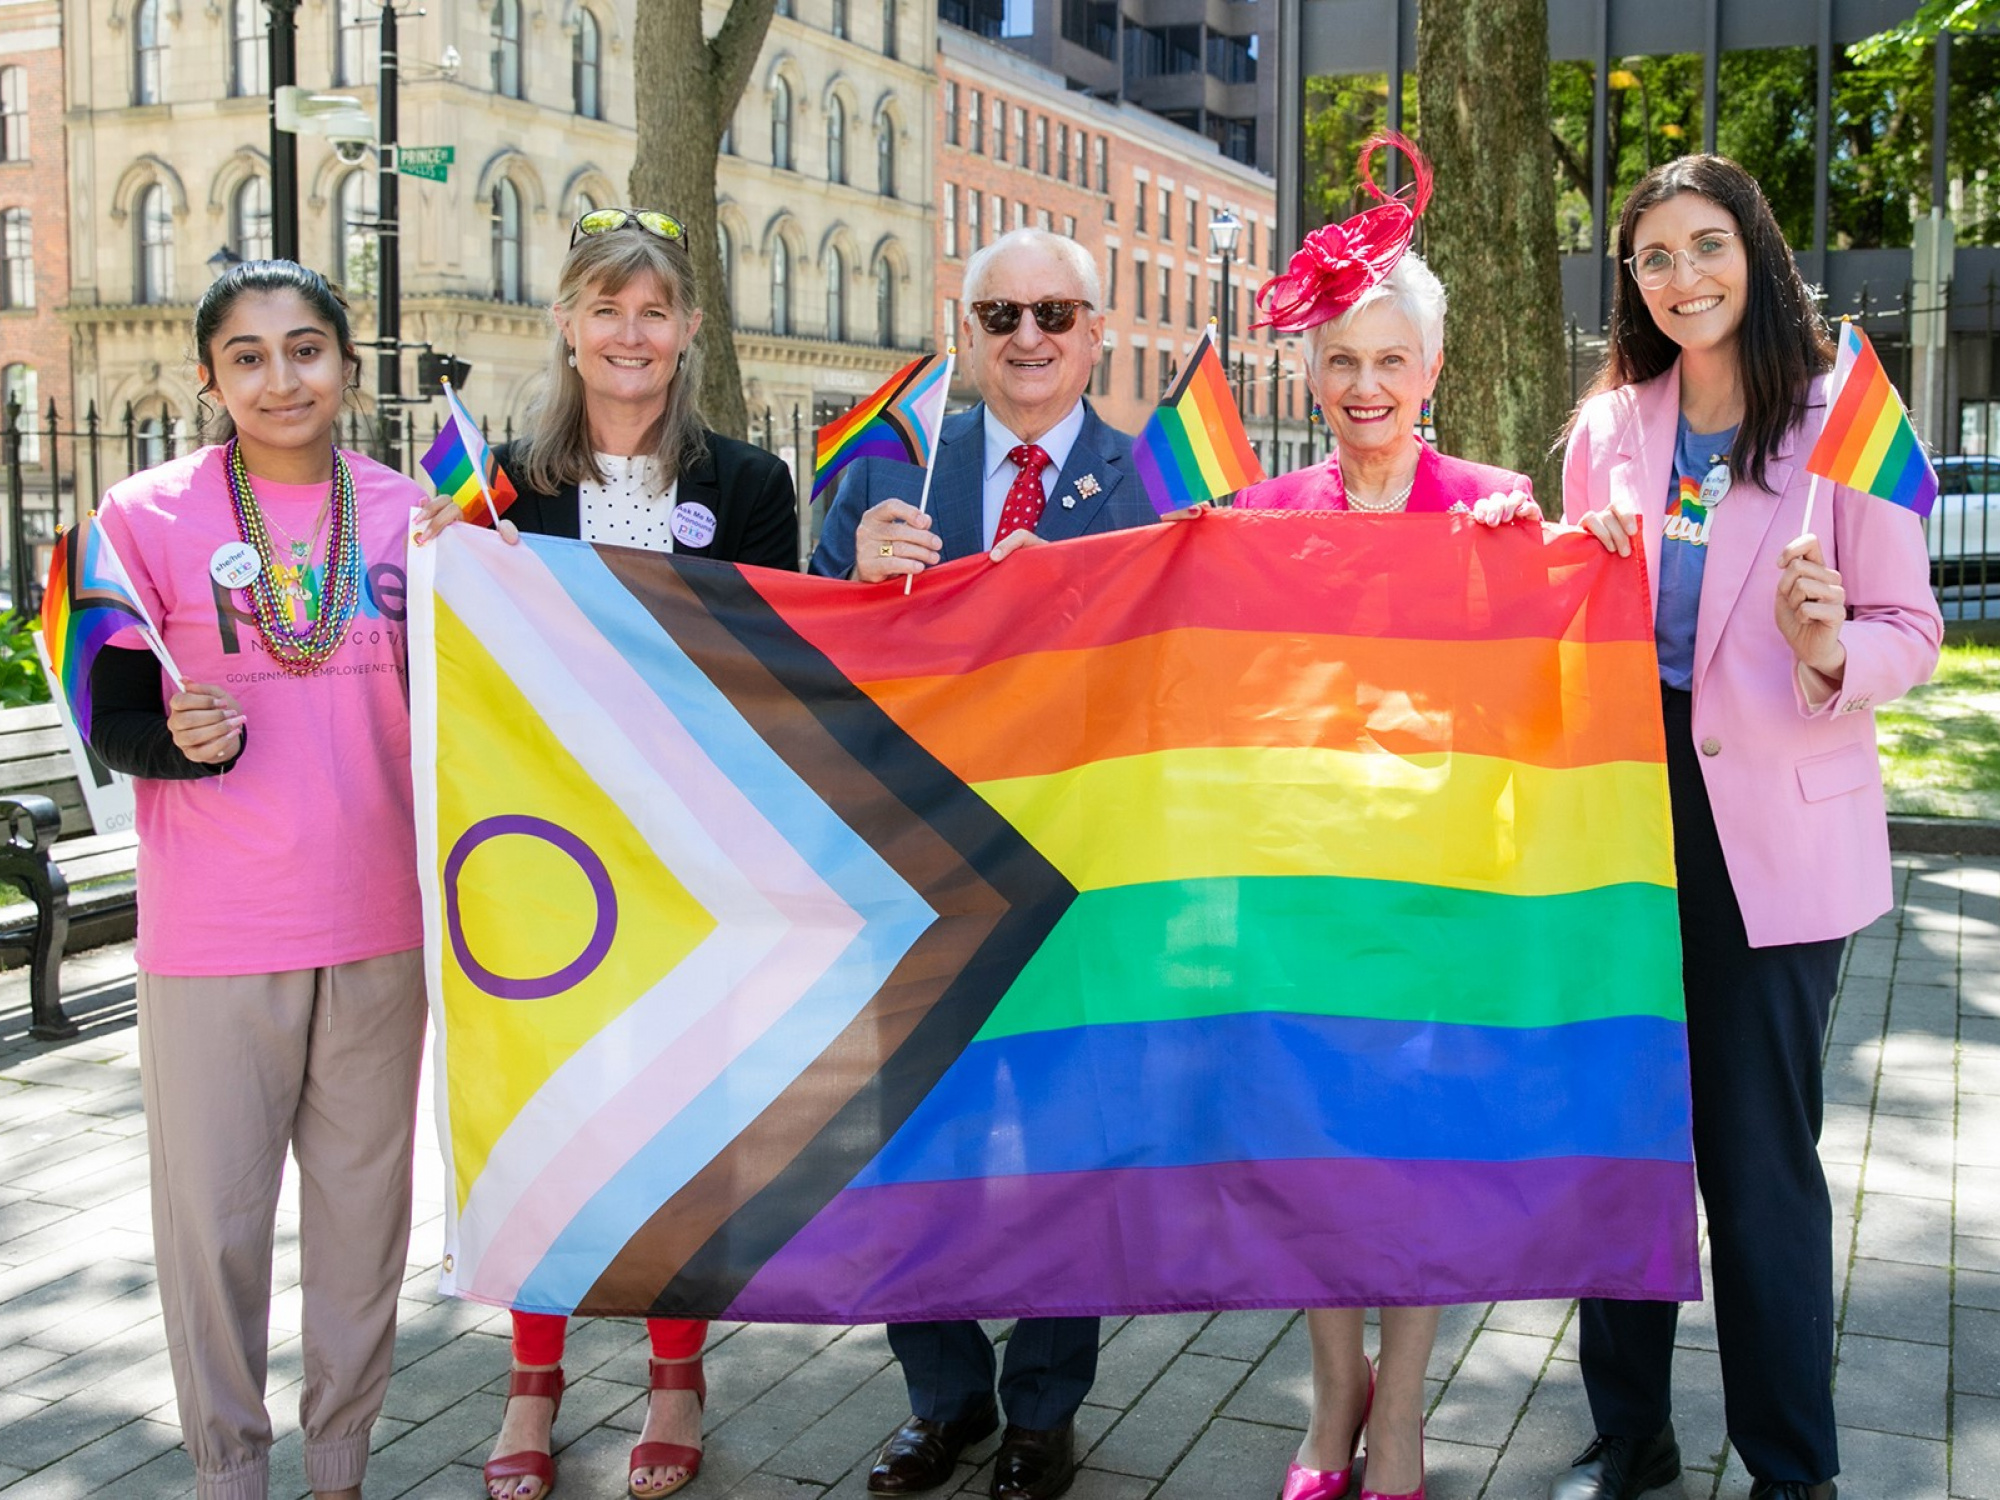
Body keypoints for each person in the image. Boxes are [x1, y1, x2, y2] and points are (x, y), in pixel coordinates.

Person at [1543, 155, 1941, 1500]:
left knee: (1757, 1160)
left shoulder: (1842, 416)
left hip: (1770, 825)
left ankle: (1791, 1467)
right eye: (1653, 259)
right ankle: (1630, 1437)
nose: (1681, 279)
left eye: (1705, 247)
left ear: (1756, 252)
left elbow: (1913, 630)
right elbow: (1560, 601)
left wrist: (1834, 644)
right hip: (1621, 808)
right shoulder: (1610, 422)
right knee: (1621, 1137)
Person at [85, 259, 458, 1500]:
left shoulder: (417, 511)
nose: (279, 376)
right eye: (246, 356)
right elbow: (111, 716)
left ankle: (339, 1465)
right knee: (215, 1231)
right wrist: (172, 745)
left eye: (306, 348)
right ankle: (229, 1473)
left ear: (348, 367)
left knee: (364, 1227)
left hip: (380, 922)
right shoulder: (143, 514)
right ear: (209, 379)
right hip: (215, 931)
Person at [810, 226, 1155, 1500]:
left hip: (1081, 880)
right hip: (913, 872)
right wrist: (851, 581)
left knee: (1062, 1143)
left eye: (1053, 315)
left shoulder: (1153, 489)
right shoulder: (890, 469)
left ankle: (1043, 1412)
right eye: (999, 314)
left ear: (1094, 333)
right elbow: (800, 661)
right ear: (964, 330)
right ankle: (942, 1399)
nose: (1026, 338)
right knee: (916, 1141)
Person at [1229, 134, 1532, 1500]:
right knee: (1314, 1146)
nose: (1364, 385)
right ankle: (1329, 1393)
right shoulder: (1261, 514)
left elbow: (1550, 682)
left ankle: (1399, 1413)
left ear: (1432, 375)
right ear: (1311, 373)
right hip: (1300, 885)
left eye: (1390, 361)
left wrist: (1557, 557)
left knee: (1419, 1155)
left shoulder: (1489, 513)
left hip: (1439, 892)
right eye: (1340, 360)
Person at [481, 207, 797, 1500]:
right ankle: (532, 1377)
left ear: (691, 334)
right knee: (538, 1107)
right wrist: (445, 561)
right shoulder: (502, 483)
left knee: (681, 1117)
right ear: (565, 324)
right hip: (544, 851)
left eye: (653, 311)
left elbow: (785, 665)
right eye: (605, 309)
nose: (629, 334)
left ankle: (677, 1371)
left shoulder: (751, 486)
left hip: (697, 851)